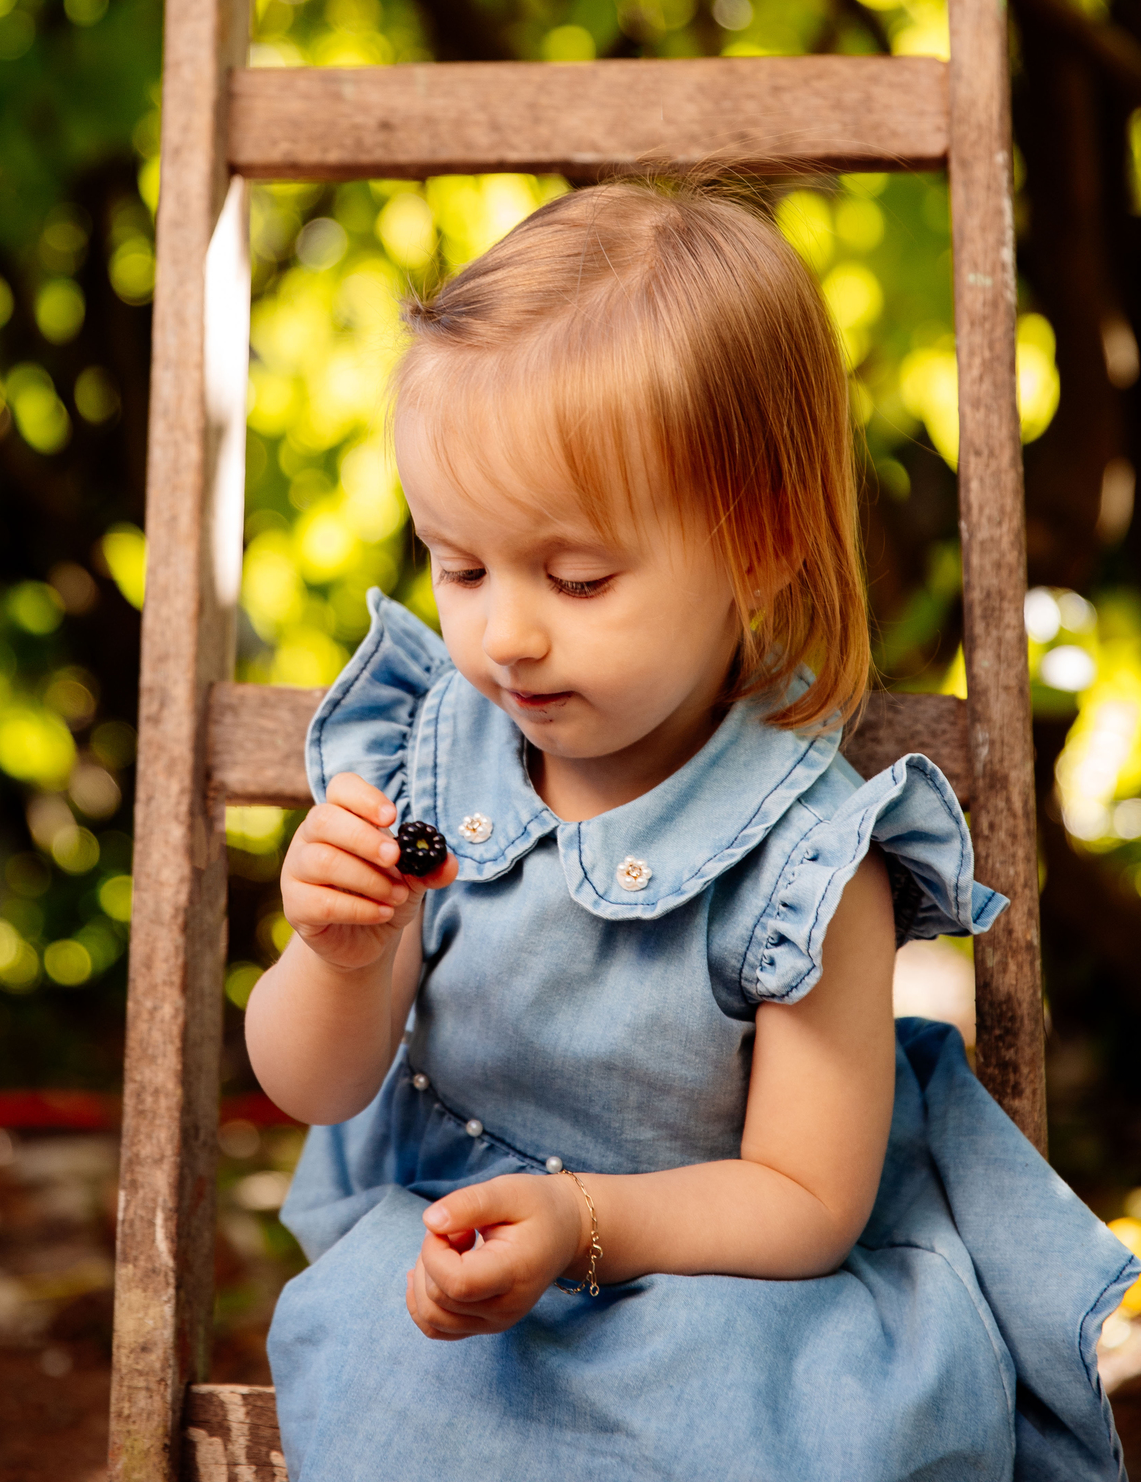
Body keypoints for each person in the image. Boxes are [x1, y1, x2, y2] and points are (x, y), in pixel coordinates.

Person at [247, 177, 1136, 1482]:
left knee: (753, 1439)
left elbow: (804, 1202)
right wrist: (334, 955)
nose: (505, 633)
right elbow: (312, 1086)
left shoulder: (811, 860)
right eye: (462, 566)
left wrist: (587, 1222)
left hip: (730, 1278)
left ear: (759, 546)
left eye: (578, 577)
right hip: (467, 1262)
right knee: (403, 1386)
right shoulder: (431, 759)